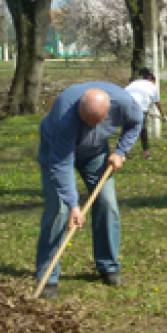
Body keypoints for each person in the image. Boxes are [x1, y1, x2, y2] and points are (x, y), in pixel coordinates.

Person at [35, 81, 143, 299]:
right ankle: (48, 276)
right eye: (86, 122)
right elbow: (62, 166)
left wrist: (121, 151)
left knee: (107, 203)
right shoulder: (64, 115)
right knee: (59, 209)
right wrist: (74, 205)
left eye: (98, 122)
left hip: (95, 153)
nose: (91, 126)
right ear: (79, 111)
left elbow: (136, 122)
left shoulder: (123, 103)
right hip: (57, 151)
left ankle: (108, 266)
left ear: (109, 110)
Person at [125, 68, 167, 160]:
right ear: (151, 79)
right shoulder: (152, 86)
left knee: (127, 129)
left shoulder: (135, 83)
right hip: (138, 107)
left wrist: (145, 110)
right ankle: (146, 153)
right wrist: (164, 116)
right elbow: (157, 103)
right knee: (141, 130)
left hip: (124, 103)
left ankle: (123, 154)